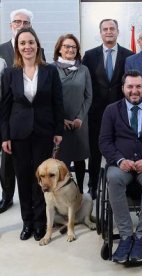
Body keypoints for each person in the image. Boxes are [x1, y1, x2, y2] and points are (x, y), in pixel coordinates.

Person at [99, 70, 142, 263]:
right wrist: (120, 160)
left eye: (138, 86)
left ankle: (141, 237)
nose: (134, 91)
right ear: (123, 88)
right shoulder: (111, 110)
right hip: (120, 164)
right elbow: (104, 141)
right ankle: (125, 236)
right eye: (129, 86)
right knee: (112, 177)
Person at [0, 27, 64, 241]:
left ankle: (40, 223)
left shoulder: (50, 71)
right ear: (17, 48)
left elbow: (57, 102)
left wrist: (58, 131)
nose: (27, 47)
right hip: (18, 134)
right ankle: (27, 222)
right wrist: (5, 136)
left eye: (31, 42)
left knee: (41, 181)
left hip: (43, 131)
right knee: (23, 177)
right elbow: (4, 107)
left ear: (37, 45)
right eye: (22, 43)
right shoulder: (9, 73)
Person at [82, 19, 133, 199]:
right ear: (100, 32)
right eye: (105, 29)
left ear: (118, 31)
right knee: (95, 151)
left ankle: (123, 185)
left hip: (121, 112)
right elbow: (84, 84)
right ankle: (93, 185)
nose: (109, 32)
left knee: (121, 149)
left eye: (112, 29)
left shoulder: (129, 55)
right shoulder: (89, 55)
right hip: (96, 112)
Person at [0, 8, 45, 214]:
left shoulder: (39, 53)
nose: (21, 25)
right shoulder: (1, 51)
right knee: (11, 165)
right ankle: (8, 197)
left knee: (34, 170)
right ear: (11, 25)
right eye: (17, 22)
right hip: (10, 119)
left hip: (35, 124)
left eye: (26, 23)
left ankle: (37, 214)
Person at [53, 34, 92, 193]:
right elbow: (47, 97)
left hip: (79, 123)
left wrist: (80, 118)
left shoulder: (83, 70)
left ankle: (80, 193)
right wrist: (60, 119)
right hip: (58, 123)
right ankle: (62, 194)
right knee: (61, 162)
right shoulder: (50, 68)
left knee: (80, 158)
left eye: (73, 47)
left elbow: (89, 96)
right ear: (59, 49)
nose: (70, 49)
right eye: (67, 46)